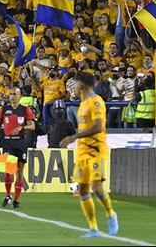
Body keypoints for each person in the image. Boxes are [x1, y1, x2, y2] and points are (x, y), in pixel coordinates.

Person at [60, 73, 118, 238]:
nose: (73, 87)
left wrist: (74, 136)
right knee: (83, 189)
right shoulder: (82, 104)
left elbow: (99, 127)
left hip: (95, 149)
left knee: (97, 188)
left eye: (75, 84)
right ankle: (93, 228)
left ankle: (110, 214)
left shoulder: (96, 101)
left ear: (82, 85)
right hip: (82, 151)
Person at [0, 86, 34, 208]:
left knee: (19, 172)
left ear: (20, 96)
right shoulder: (4, 109)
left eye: (15, 94)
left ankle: (16, 200)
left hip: (21, 142)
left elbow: (32, 126)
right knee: (8, 171)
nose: (12, 96)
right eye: (10, 94)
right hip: (7, 143)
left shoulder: (25, 110)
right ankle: (8, 195)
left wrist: (22, 127)